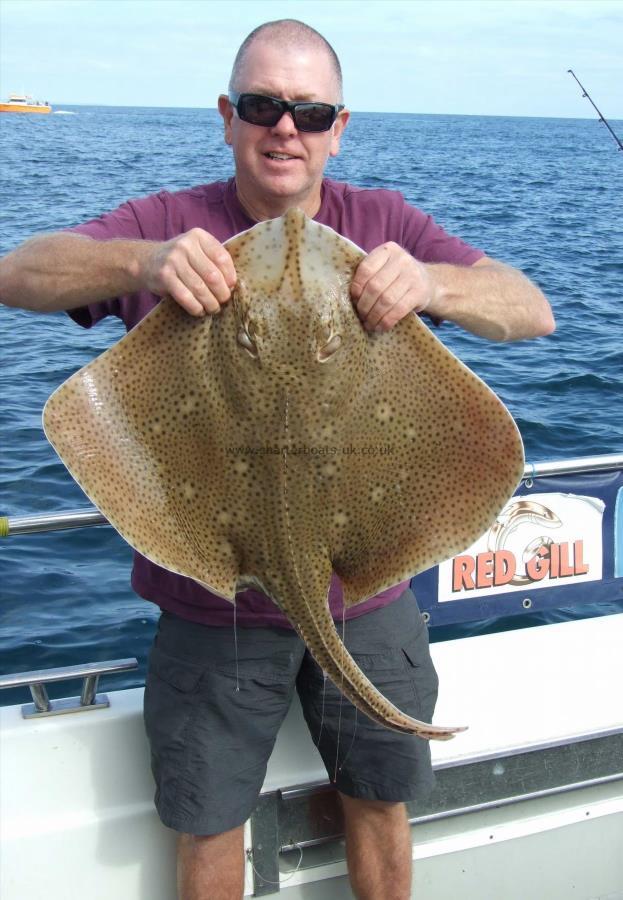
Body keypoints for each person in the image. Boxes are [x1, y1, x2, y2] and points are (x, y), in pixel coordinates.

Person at [0, 18, 555, 900]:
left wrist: (431, 282)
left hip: (366, 595)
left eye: (308, 110)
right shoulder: (170, 220)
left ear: (340, 127)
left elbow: (530, 309)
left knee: (378, 802)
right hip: (209, 599)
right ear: (227, 117)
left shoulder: (382, 224)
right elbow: (19, 271)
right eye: (261, 106)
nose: (284, 127)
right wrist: (144, 261)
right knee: (210, 825)